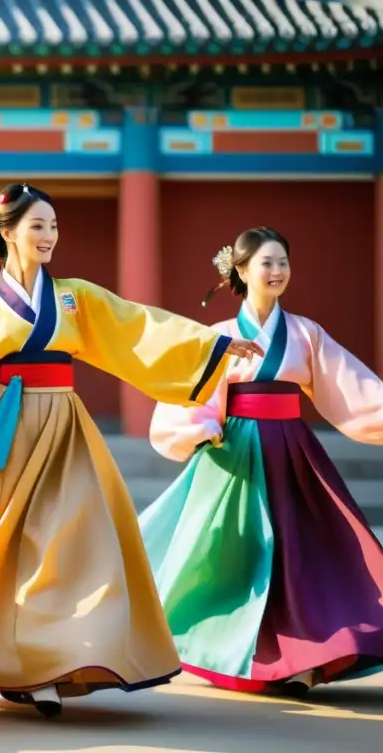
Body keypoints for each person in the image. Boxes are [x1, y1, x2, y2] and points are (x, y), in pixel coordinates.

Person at [0, 183, 263, 718]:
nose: (49, 236)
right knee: (2, 553)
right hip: (4, 436)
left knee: (70, 545)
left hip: (64, 429)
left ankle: (59, 660)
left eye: (53, 226)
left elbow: (133, 325)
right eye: (37, 226)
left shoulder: (74, 296)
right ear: (6, 233)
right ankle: (17, 663)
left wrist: (209, 345)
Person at [140, 226, 383, 696]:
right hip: (234, 454)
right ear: (242, 269)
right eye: (267, 262)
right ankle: (240, 654)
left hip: (292, 452)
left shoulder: (306, 334)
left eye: (283, 263)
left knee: (301, 555)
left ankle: (303, 658)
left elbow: (351, 385)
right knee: (234, 556)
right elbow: (192, 391)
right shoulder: (220, 335)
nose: (277, 272)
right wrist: (201, 430)